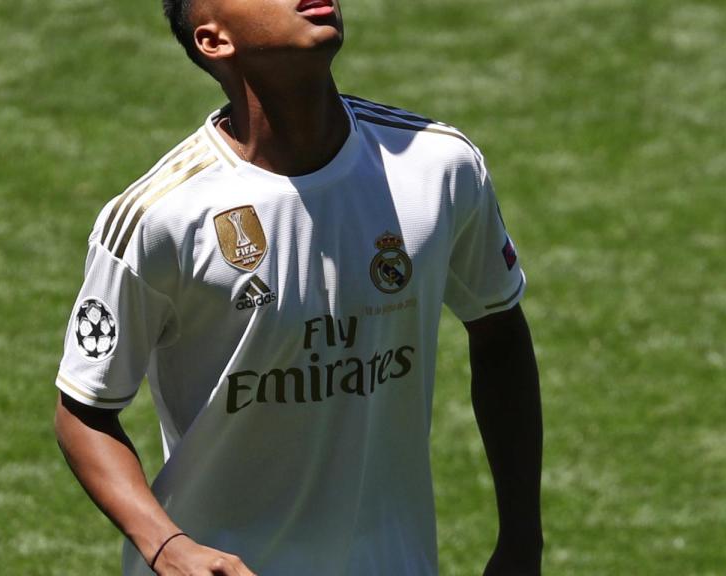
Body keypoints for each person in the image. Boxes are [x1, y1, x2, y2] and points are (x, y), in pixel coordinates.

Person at [52, 0, 543, 574]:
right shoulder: (162, 217)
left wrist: (522, 540)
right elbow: (84, 409)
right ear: (214, 40)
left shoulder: (439, 167)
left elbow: (499, 332)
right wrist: (167, 546)